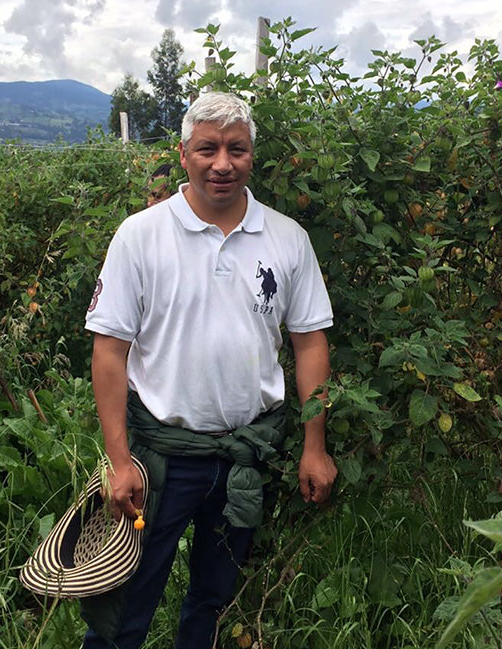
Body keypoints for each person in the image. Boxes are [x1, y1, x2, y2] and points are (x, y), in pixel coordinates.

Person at [83, 91, 337, 649]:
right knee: (124, 603)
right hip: (159, 461)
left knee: (215, 601)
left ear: (252, 157)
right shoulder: (141, 236)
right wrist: (118, 461)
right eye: (208, 149)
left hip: (244, 458)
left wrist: (313, 446)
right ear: (184, 155)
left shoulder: (287, 239)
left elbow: (310, 343)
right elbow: (109, 351)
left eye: (236, 149)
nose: (222, 163)